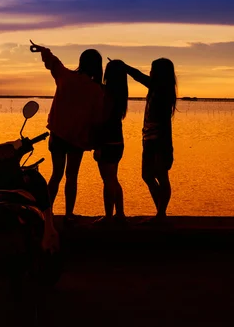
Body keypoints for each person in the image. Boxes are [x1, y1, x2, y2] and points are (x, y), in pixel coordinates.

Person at [31, 41, 104, 223]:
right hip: (77, 139)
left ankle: (46, 213)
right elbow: (96, 120)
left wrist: (44, 50)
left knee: (56, 175)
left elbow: (54, 63)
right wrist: (96, 143)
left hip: (58, 134)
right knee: (72, 176)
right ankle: (69, 214)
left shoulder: (66, 77)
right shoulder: (96, 90)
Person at [121, 58, 177, 221]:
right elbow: (140, 76)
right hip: (148, 138)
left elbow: (139, 76)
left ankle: (160, 214)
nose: (150, 72)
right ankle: (160, 213)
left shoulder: (162, 89)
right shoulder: (156, 88)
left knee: (161, 175)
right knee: (147, 175)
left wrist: (125, 67)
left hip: (159, 140)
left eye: (153, 70)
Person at [93, 59, 128, 225]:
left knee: (108, 180)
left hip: (107, 142)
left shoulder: (108, 94)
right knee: (113, 178)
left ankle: (108, 217)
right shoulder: (121, 93)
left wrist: (98, 145)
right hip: (118, 141)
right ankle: (120, 214)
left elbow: (103, 121)